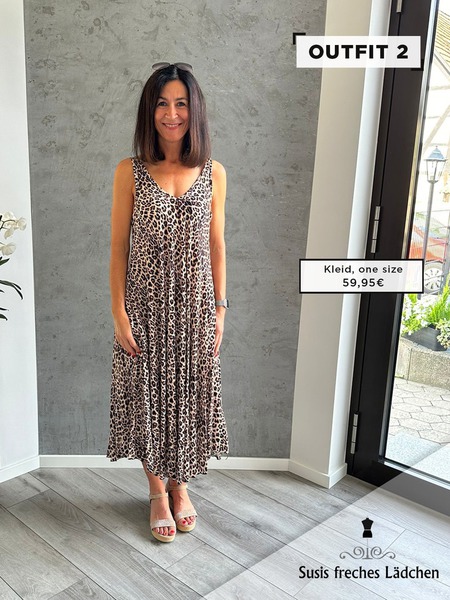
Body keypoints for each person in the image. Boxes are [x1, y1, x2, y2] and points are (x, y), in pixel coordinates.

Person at [106, 63, 229, 543]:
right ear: (149, 111)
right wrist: (119, 312)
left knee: (184, 398)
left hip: (195, 309)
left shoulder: (214, 173)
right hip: (144, 305)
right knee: (148, 400)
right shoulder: (130, 171)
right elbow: (118, 246)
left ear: (194, 110)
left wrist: (220, 309)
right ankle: (157, 492)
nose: (171, 113)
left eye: (180, 103)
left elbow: (216, 245)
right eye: (161, 103)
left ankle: (181, 487)